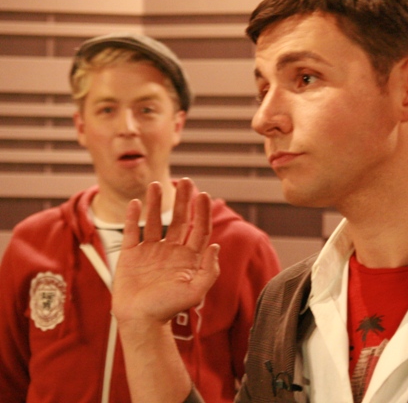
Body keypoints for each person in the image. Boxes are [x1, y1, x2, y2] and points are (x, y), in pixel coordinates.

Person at [111, 0, 408, 403]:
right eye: (263, 91)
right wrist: (144, 328)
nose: (263, 119)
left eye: (305, 78)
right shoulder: (284, 300)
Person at [0, 33, 281, 403]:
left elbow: (272, 390)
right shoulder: (33, 242)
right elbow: (8, 382)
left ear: (177, 124)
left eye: (146, 109)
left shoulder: (239, 246)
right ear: (81, 127)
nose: (127, 127)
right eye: (107, 109)